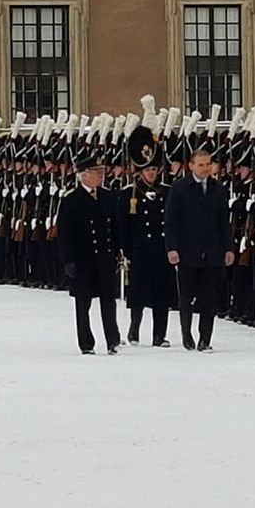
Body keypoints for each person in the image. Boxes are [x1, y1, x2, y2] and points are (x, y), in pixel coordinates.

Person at [164, 148, 234, 352]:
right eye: (201, 164)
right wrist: (172, 248)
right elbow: (171, 222)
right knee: (186, 296)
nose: (206, 168)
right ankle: (187, 334)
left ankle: (205, 338)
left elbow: (223, 222)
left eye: (208, 164)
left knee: (209, 297)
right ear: (191, 166)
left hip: (212, 250)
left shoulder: (218, 189)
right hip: (187, 250)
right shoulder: (179, 188)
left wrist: (228, 248)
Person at [57, 155, 122, 355]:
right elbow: (65, 233)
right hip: (83, 259)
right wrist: (68, 260)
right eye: (96, 173)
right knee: (83, 303)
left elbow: (115, 227)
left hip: (104, 257)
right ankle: (86, 343)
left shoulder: (108, 196)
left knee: (108, 301)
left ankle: (113, 340)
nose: (100, 176)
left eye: (101, 172)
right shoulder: (71, 199)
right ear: (84, 175)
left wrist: (119, 251)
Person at [119, 125, 176, 347]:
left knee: (162, 295)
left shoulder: (167, 192)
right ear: (140, 171)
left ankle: (159, 335)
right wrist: (126, 251)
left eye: (154, 168)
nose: (152, 172)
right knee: (138, 294)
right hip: (140, 250)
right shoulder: (129, 194)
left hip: (161, 250)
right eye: (148, 169)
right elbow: (123, 226)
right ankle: (134, 330)